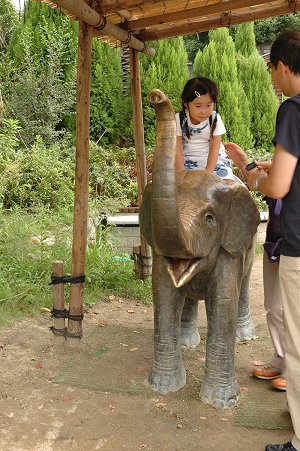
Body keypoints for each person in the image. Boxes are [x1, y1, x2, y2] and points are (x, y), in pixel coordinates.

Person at [228, 31, 300, 451]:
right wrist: (253, 162)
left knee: (297, 339)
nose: (273, 79)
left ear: (284, 67)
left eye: (273, 70)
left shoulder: (291, 110)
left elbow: (279, 186)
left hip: (296, 242)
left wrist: (253, 178)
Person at [224, 142, 286, 392]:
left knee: (294, 310)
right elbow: (264, 184)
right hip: (277, 241)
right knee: (274, 306)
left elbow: (267, 185)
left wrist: (247, 164)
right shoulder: (284, 163)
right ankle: (281, 359)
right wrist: (247, 163)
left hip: (295, 244)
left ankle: (296, 372)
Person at [175, 76, 235, 182]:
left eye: (208, 105)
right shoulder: (179, 119)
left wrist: (208, 173)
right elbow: (177, 148)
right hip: (189, 160)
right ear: (186, 104)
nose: (204, 111)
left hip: (215, 161)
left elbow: (215, 149)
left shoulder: (214, 119)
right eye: (198, 106)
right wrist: (181, 173)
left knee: (228, 185)